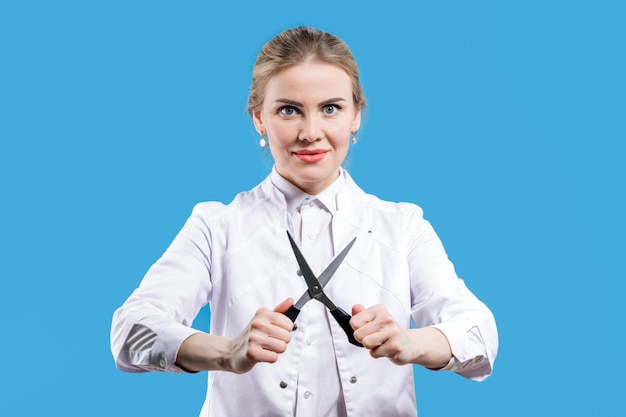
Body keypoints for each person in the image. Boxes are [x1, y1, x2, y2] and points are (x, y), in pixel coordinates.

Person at [110, 26, 498, 417]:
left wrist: (411, 342)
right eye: (289, 110)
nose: (311, 133)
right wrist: (228, 352)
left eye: (331, 108)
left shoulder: (403, 227)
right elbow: (129, 330)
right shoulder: (217, 227)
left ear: (356, 116)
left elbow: (479, 334)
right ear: (259, 118)